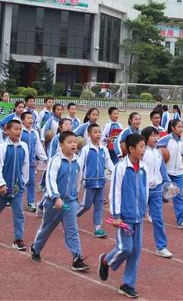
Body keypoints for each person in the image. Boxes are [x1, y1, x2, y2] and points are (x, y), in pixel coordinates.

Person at [98, 133, 149, 299]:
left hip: (139, 217)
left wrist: (145, 209)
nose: (144, 150)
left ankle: (127, 284)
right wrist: (116, 215)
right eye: (141, 147)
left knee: (136, 252)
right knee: (125, 248)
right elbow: (115, 192)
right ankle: (106, 260)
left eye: (144, 146)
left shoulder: (144, 167)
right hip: (124, 217)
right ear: (131, 149)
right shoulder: (121, 167)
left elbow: (146, 190)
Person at [31, 131, 89, 271]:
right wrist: (56, 197)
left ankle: (77, 258)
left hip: (69, 203)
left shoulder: (77, 161)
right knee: (47, 228)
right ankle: (36, 248)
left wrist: (74, 196)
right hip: (54, 203)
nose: (73, 144)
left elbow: (78, 180)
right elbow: (50, 180)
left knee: (72, 230)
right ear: (61, 144)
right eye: (69, 142)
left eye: (75, 141)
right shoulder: (55, 160)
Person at [0, 120, 29, 250]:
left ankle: (18, 239)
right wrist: (1, 185)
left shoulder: (24, 146)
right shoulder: (2, 147)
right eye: (15, 129)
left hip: (17, 188)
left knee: (19, 213)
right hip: (2, 190)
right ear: (7, 131)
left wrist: (23, 182)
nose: (18, 132)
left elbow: (25, 165)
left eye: (20, 129)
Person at [77, 124, 114, 238]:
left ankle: (98, 228)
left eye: (99, 132)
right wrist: (80, 180)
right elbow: (80, 165)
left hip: (101, 182)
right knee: (85, 206)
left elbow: (109, 163)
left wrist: (116, 172)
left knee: (99, 206)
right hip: (89, 182)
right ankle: (70, 219)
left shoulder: (103, 149)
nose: (98, 134)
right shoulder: (86, 150)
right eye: (95, 132)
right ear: (89, 134)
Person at [142, 126, 173, 258]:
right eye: (153, 136)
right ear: (145, 138)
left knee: (158, 219)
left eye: (157, 135)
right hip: (142, 190)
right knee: (134, 218)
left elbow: (163, 171)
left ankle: (161, 247)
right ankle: (127, 244)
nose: (156, 138)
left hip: (156, 190)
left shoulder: (158, 152)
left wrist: (169, 184)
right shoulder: (141, 152)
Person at [157, 119, 183, 229]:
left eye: (182, 127)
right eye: (179, 127)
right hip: (166, 173)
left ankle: (181, 220)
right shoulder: (166, 139)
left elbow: (181, 153)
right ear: (172, 128)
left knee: (179, 196)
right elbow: (155, 146)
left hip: (178, 173)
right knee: (159, 195)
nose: (181, 129)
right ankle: (151, 210)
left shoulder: (181, 140)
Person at [20, 111, 47, 212]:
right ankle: (12, 197)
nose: (31, 120)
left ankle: (31, 202)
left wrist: (44, 159)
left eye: (32, 118)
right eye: (28, 118)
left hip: (31, 162)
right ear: (22, 120)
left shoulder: (35, 132)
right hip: (19, 162)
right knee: (18, 181)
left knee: (31, 182)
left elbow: (38, 147)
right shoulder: (20, 131)